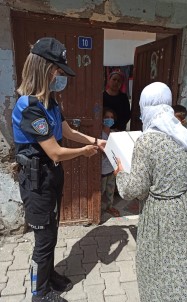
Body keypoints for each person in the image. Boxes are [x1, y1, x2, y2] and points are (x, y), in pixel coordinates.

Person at [11, 37, 106, 302]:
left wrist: (95, 141)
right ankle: (39, 294)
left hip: (51, 177)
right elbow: (54, 151)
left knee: (52, 233)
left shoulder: (50, 102)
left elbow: (67, 131)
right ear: (44, 68)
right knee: (43, 240)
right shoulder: (29, 107)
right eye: (57, 70)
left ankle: (49, 275)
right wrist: (84, 153)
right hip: (37, 181)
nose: (60, 75)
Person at [114, 82, 187, 302]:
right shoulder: (185, 134)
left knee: (163, 269)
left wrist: (120, 173)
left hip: (166, 215)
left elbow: (135, 189)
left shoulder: (147, 141)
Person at [101, 107, 120, 217]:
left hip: (112, 168)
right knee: (101, 190)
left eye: (112, 117)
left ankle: (109, 207)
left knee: (110, 190)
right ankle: (96, 210)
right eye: (107, 117)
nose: (109, 119)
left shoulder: (114, 133)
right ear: (102, 119)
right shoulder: (99, 135)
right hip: (102, 169)